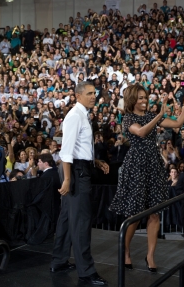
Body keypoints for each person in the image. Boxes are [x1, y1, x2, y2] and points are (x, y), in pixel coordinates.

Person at [109, 82, 184, 272]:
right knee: (136, 215)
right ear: (132, 100)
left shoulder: (151, 116)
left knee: (155, 213)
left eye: (145, 97)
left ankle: (150, 256)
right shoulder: (128, 118)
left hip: (154, 165)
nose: (144, 100)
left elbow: (178, 123)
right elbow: (141, 131)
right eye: (140, 98)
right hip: (136, 166)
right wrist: (159, 114)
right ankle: (126, 251)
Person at [50, 82, 109, 286]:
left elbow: (79, 148)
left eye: (95, 93)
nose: (94, 96)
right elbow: (66, 151)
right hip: (74, 172)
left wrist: (95, 161)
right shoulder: (75, 116)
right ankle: (86, 272)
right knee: (81, 222)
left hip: (79, 167)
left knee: (67, 217)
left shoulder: (82, 114)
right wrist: (67, 179)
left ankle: (59, 261)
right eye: (89, 93)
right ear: (77, 95)